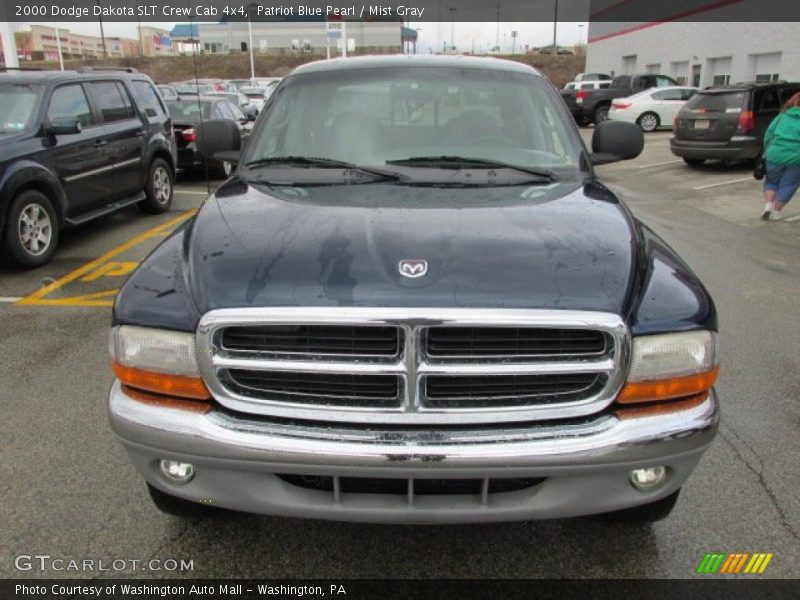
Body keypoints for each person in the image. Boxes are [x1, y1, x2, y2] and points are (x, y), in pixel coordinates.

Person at [761, 91, 800, 221]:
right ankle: (776, 212)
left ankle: (767, 206)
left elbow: (768, 135)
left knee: (771, 182)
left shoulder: (782, 116)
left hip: (775, 154)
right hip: (796, 157)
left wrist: (767, 150)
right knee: (788, 185)